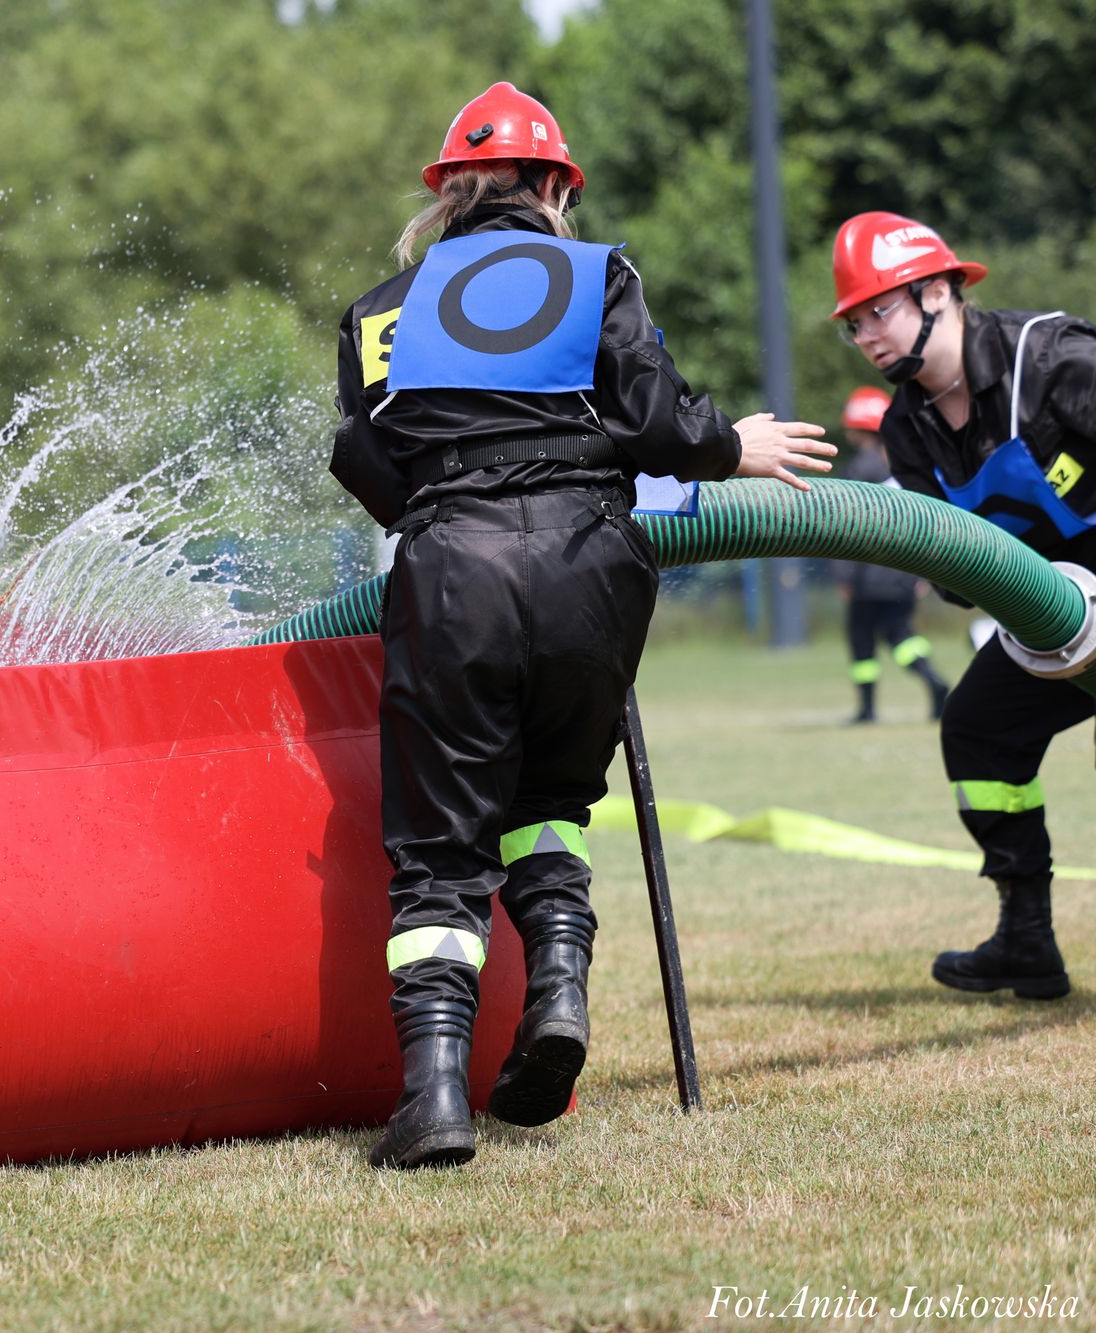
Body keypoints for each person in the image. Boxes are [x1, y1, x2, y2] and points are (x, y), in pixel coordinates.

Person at [329, 82, 833, 1169]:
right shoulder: (593, 270)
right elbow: (652, 417)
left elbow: (360, 456)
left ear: (448, 194)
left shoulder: (380, 309)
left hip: (451, 567)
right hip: (590, 563)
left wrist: (436, 512)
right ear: (555, 185)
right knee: (551, 800)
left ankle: (433, 1099)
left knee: (437, 849)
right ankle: (556, 986)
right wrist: (721, 445)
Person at [831, 210, 1096, 1001]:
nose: (869, 335)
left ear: (940, 290)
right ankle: (1026, 937)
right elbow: (950, 566)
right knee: (979, 729)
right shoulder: (905, 429)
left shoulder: (1058, 364)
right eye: (854, 323)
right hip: (1052, 623)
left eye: (881, 309)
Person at [832, 385, 950, 723]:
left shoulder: (860, 468)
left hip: (869, 575)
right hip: (902, 572)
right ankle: (933, 680)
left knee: (861, 639)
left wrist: (843, 576)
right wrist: (923, 572)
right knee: (900, 633)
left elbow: (844, 525)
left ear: (857, 428)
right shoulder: (903, 467)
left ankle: (867, 709)